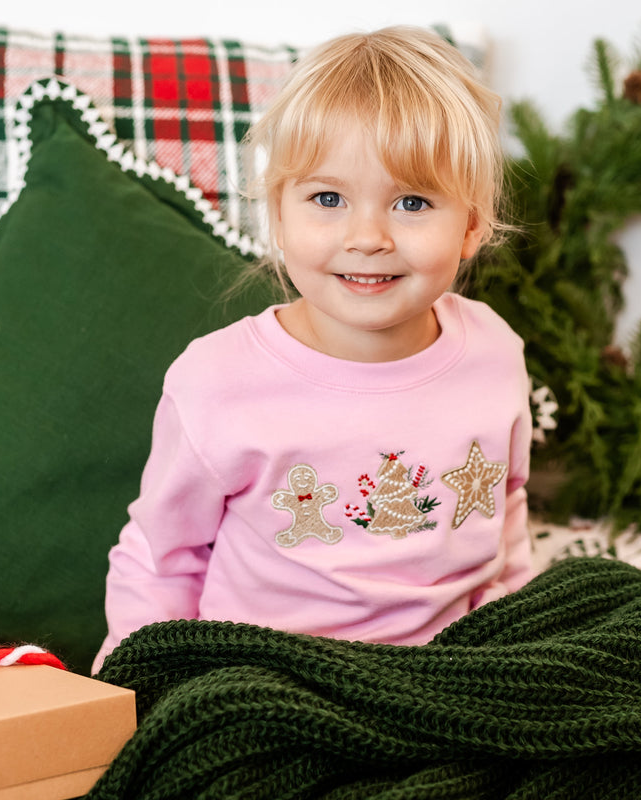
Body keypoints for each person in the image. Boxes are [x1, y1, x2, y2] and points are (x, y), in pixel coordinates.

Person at [92, 26, 534, 674]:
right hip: (266, 682)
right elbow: (162, 556)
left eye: (412, 202)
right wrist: (133, 692)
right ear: (278, 213)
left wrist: (519, 649)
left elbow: (508, 515)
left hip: (444, 681)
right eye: (328, 198)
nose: (367, 237)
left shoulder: (494, 354)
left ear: (470, 224)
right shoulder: (218, 381)